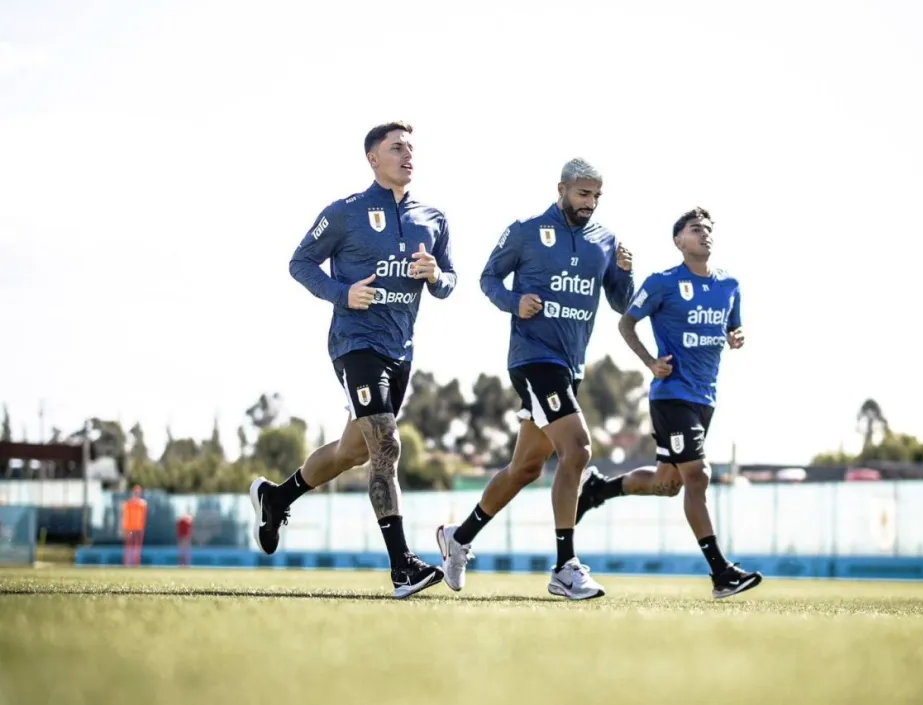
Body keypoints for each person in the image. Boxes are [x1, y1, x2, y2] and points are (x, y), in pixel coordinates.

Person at [248, 121, 457, 599]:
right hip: (354, 343)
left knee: (353, 452)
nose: (408, 156)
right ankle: (402, 567)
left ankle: (276, 496)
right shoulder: (345, 213)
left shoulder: (434, 217)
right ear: (373, 159)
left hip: (400, 350)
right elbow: (300, 263)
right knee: (387, 446)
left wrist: (436, 275)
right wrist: (344, 293)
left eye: (411, 148)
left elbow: (451, 281)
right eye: (397, 148)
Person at [435, 158, 634, 600]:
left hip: (570, 367)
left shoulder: (605, 240)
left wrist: (625, 271)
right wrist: (514, 301)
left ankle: (458, 537)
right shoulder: (526, 230)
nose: (591, 203)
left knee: (525, 468)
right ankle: (565, 566)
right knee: (578, 447)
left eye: (597, 196)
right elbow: (488, 278)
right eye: (583, 194)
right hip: (533, 359)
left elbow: (622, 302)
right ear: (562, 188)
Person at [573, 207, 762, 599]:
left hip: (705, 399)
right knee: (699, 476)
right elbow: (626, 322)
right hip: (671, 395)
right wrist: (649, 362)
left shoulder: (730, 286)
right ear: (679, 241)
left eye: (709, 229)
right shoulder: (663, 283)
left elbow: (733, 326)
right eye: (696, 230)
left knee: (669, 483)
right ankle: (721, 573)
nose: (705, 234)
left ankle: (599, 490)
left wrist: (736, 335)